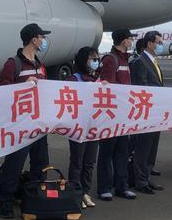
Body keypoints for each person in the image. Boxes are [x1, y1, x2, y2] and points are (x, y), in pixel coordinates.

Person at [0, 23, 50, 218]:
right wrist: (22, 85)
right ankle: (6, 202)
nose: (44, 41)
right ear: (33, 39)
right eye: (42, 37)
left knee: (41, 163)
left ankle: (35, 198)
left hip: (39, 123)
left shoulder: (39, 64)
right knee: (14, 164)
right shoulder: (14, 63)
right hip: (19, 124)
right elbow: (2, 89)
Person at [97, 29, 136, 201]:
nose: (131, 41)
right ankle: (104, 187)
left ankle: (121, 186)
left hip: (123, 114)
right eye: (129, 39)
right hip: (112, 115)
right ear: (123, 40)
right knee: (107, 152)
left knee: (122, 151)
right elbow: (108, 89)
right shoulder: (110, 59)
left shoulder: (124, 59)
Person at [129, 30, 165, 194]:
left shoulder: (154, 62)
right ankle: (141, 181)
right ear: (149, 43)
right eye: (159, 42)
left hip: (156, 112)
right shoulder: (140, 62)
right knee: (143, 149)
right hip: (147, 112)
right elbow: (141, 87)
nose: (161, 45)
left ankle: (147, 177)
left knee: (152, 148)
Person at [68, 47, 102, 207]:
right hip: (78, 127)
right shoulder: (74, 79)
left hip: (94, 126)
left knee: (89, 162)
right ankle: (75, 193)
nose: (96, 62)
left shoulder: (98, 79)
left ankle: (85, 192)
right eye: (93, 59)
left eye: (97, 59)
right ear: (84, 60)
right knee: (77, 161)